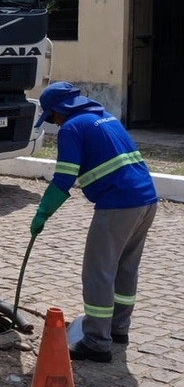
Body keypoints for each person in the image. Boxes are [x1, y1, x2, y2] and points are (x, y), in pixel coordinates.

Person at [30, 82, 158, 363]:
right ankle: (118, 329)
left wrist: (42, 213)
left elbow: (64, 179)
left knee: (98, 272)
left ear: (59, 111)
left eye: (51, 117)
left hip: (118, 205)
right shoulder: (106, 118)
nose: (54, 123)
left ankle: (97, 342)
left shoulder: (72, 128)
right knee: (126, 268)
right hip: (147, 200)